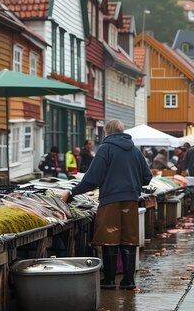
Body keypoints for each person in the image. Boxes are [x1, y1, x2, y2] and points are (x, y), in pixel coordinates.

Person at [63, 120, 152, 290]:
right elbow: (147, 177)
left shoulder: (105, 149)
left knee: (109, 238)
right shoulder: (134, 150)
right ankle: (128, 280)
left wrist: (72, 193)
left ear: (107, 132)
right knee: (129, 239)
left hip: (110, 200)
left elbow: (92, 180)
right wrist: (132, 183)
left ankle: (110, 280)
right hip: (131, 200)